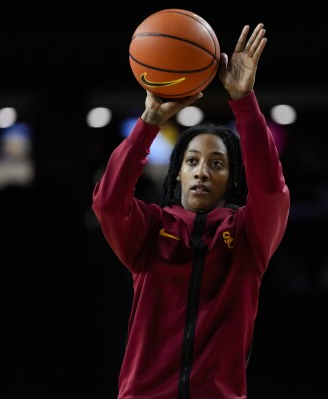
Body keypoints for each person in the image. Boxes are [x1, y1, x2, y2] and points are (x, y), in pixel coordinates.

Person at [92, 22, 290, 399]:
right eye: (192, 161)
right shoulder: (149, 230)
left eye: (217, 163)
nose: (202, 170)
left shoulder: (249, 237)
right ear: (178, 173)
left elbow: (271, 191)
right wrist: (148, 123)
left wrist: (244, 102)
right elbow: (107, 203)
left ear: (231, 178)